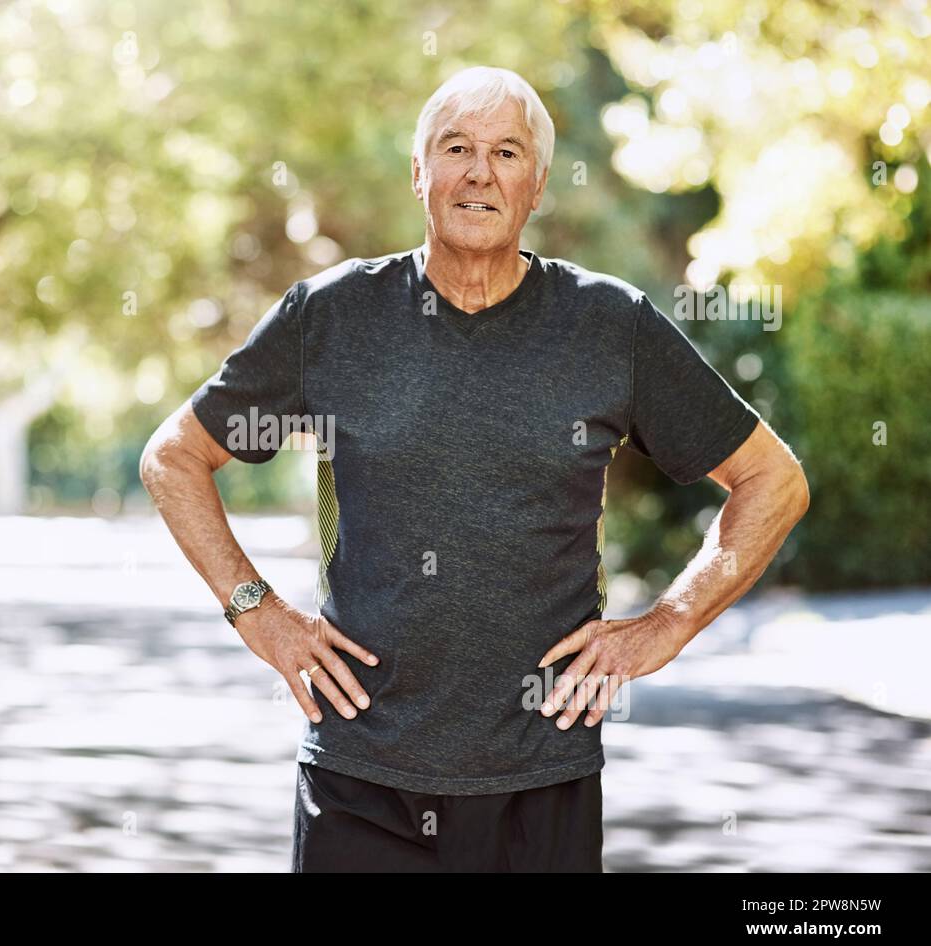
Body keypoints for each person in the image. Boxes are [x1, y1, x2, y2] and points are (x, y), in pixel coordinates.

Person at [139, 66, 810, 873]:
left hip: (543, 783)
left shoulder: (608, 325)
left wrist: (668, 622)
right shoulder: (332, 316)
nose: (479, 172)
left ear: (537, 186)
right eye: (455, 148)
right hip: (362, 780)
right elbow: (175, 457)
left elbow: (774, 480)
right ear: (419, 174)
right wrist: (259, 612)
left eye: (506, 152)